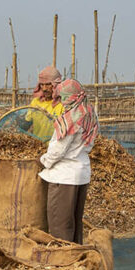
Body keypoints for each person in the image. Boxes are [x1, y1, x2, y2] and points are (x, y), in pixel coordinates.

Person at [39, 78, 98, 244]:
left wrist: (43, 161)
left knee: (60, 224)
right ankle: (76, 255)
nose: (61, 101)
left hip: (64, 177)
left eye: (62, 97)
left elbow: (58, 150)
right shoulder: (90, 113)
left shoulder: (72, 117)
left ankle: (64, 257)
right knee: (74, 223)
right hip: (81, 173)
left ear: (69, 97)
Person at [21, 66, 64, 139]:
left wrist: (50, 117)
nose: (44, 89)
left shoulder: (63, 104)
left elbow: (66, 130)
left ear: (56, 85)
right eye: (42, 84)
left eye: (48, 84)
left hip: (56, 145)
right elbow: (26, 125)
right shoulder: (36, 102)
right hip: (38, 144)